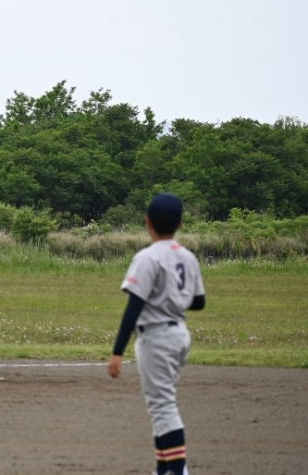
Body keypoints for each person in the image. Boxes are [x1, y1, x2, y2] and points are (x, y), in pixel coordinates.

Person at [108, 193, 206, 475]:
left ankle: (178, 470)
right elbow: (198, 302)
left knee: (163, 407)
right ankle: (163, 470)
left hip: (157, 338)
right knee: (161, 404)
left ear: (147, 221)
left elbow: (134, 306)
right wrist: (172, 298)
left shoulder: (147, 257)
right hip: (179, 336)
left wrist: (117, 352)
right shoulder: (187, 256)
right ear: (180, 223)